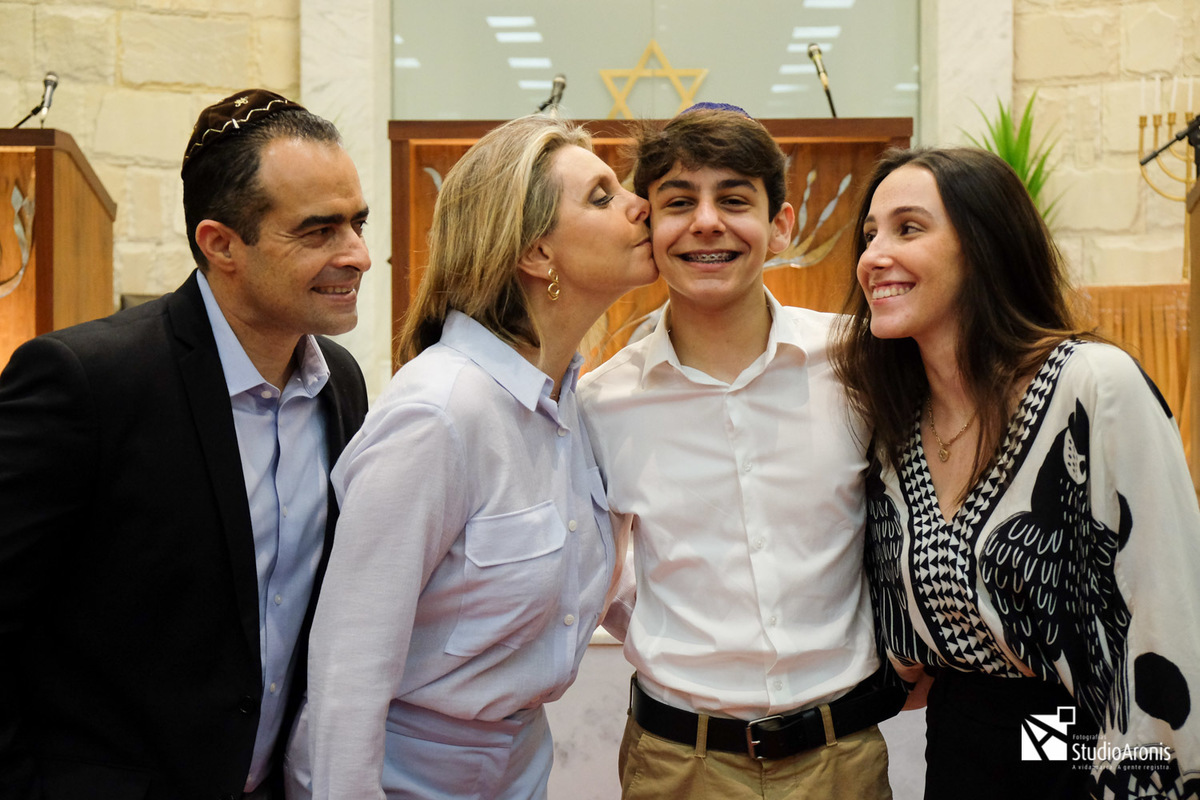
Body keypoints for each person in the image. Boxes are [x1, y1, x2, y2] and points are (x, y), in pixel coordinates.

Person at [0, 89, 371, 799]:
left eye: (358, 223)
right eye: (319, 231)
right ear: (220, 244)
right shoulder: (88, 381)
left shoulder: (340, 386)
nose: (357, 254)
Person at [286, 113, 657, 800]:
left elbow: (601, 590)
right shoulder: (439, 412)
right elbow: (349, 665)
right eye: (603, 196)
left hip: (519, 766)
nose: (645, 206)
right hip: (401, 780)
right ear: (538, 255)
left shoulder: (572, 403)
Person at [833, 146, 1200, 799]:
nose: (873, 256)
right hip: (959, 748)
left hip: (1092, 749)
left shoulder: (1092, 387)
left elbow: (1169, 610)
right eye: (870, 235)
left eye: (908, 228)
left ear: (983, 246)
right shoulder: (895, 427)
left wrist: (1137, 772)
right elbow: (909, 663)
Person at [577, 103, 904, 800]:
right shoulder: (602, 404)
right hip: (678, 763)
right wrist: (680, 637)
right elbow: (597, 574)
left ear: (780, 227)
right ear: (649, 227)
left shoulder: (857, 361)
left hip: (840, 758)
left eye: (734, 200)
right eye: (677, 202)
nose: (706, 222)